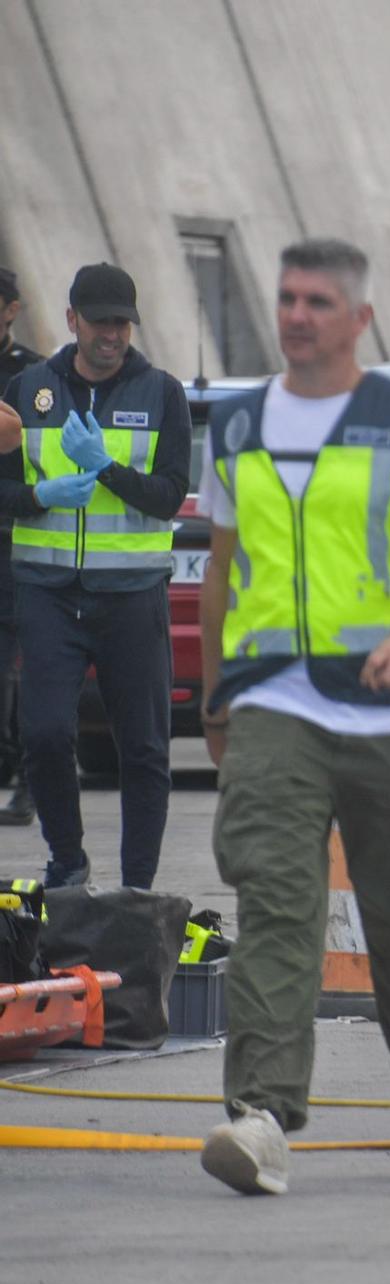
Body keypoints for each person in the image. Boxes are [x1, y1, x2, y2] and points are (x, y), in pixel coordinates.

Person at [195, 237, 390, 1195]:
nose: (297, 315)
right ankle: (262, 1118)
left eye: (317, 301)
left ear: (357, 319)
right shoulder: (235, 426)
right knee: (275, 904)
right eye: (286, 299)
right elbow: (227, 563)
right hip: (276, 699)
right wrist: (216, 688)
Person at [0, 263, 189, 889]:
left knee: (144, 749)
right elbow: (3, 491)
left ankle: (137, 886)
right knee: (47, 734)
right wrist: (42, 494)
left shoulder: (162, 393)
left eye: (122, 323)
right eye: (101, 322)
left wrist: (104, 468)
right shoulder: (28, 389)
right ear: (72, 319)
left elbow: (168, 496)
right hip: (48, 593)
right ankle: (68, 862)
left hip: (132, 597)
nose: (112, 335)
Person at [0, 268, 41, 825]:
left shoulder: (32, 373)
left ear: (11, 309)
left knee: (28, 667)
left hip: (13, 537)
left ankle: (31, 782)